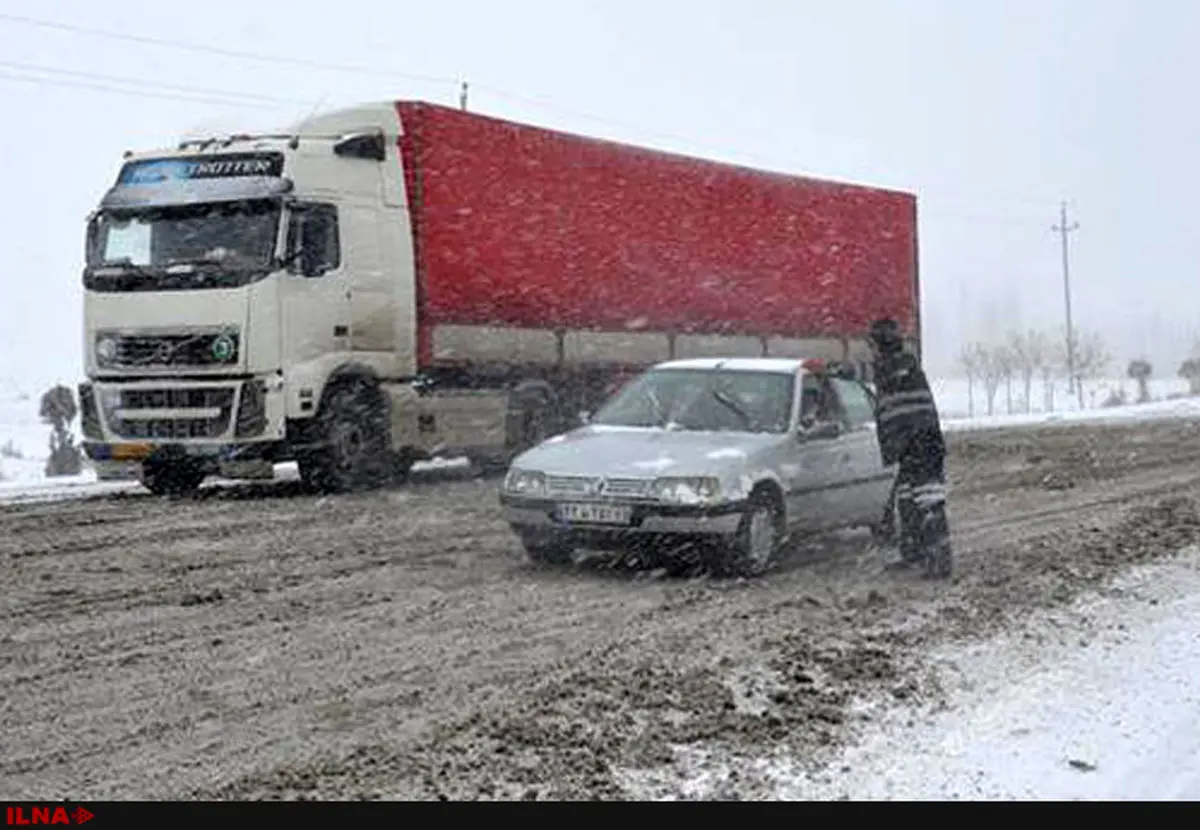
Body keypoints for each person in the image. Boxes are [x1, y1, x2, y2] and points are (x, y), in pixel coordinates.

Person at [867, 318, 953, 579]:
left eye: (873, 343)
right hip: (911, 445)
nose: (870, 349)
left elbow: (884, 376)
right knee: (907, 500)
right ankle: (914, 553)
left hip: (921, 444)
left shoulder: (900, 366)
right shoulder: (899, 367)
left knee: (928, 499)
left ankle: (939, 560)